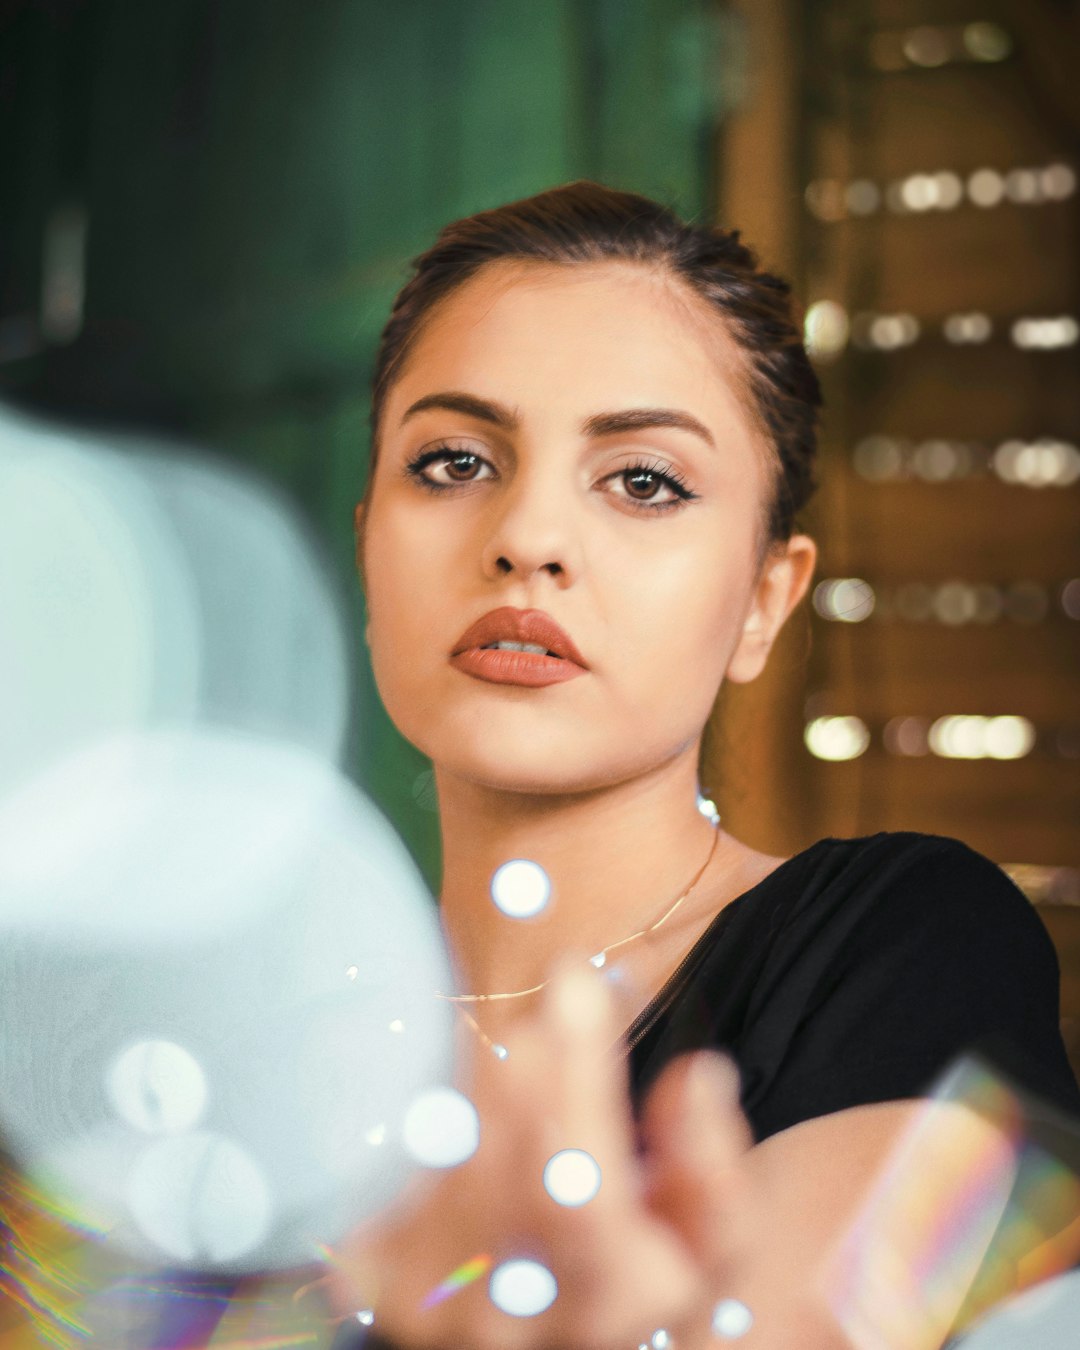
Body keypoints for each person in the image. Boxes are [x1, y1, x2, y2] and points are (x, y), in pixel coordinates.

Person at [330, 181, 1080, 1350]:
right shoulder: (243, 1049)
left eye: (644, 481)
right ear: (368, 535)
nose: (527, 538)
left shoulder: (904, 945)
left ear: (763, 603)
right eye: (455, 463)